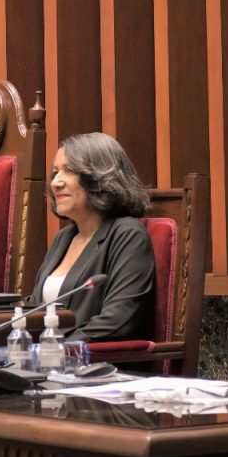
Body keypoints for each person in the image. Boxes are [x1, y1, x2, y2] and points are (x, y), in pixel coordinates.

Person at [30, 132, 155, 341]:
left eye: (68, 171)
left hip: (96, 366)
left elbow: (117, 321)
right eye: (55, 172)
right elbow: (35, 307)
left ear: (99, 177)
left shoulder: (127, 236)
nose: (55, 183)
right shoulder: (65, 237)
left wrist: (53, 349)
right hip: (46, 362)